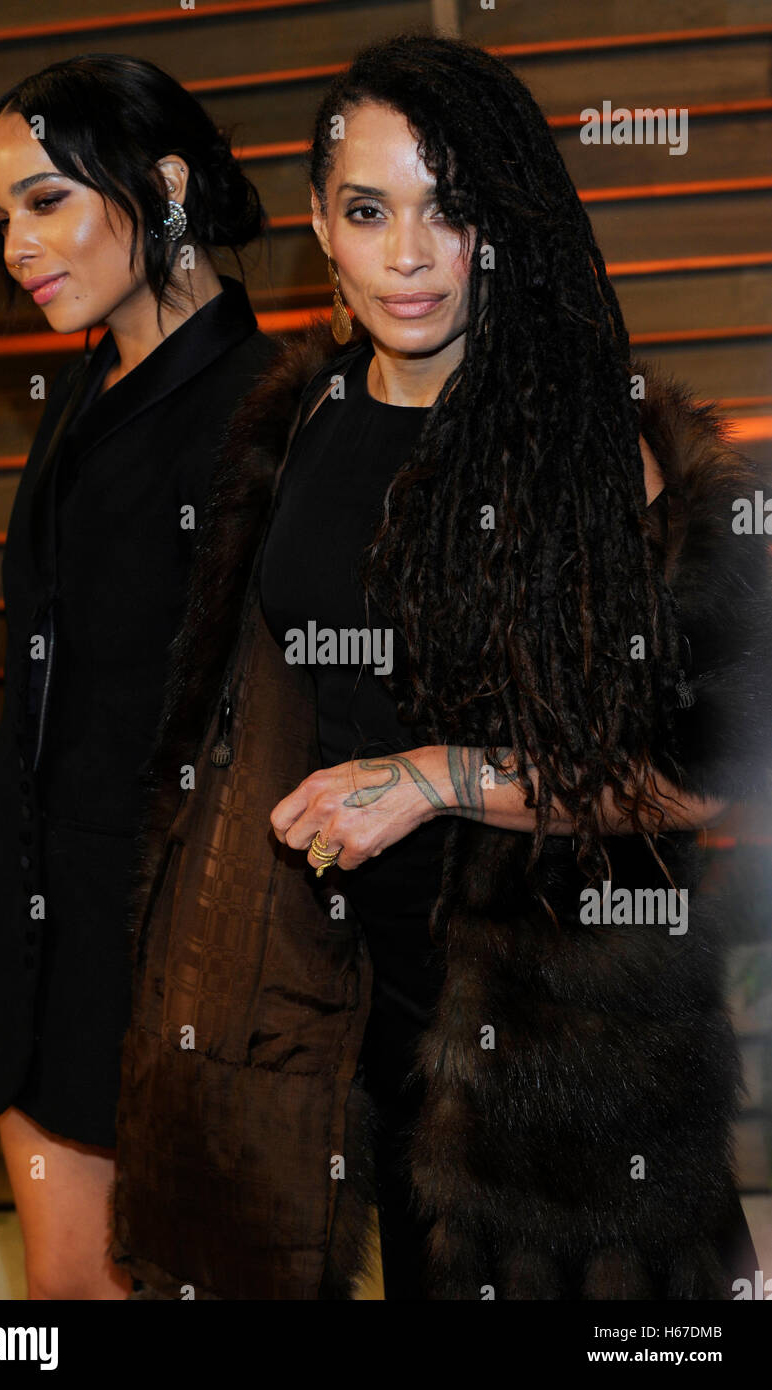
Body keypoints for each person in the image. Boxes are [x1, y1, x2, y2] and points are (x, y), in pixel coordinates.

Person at [110, 35, 772, 1299]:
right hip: (345, 1014)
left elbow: (700, 779)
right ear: (320, 222)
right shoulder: (298, 419)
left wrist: (435, 775)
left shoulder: (600, 453)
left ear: (506, 223)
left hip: (557, 1061)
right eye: (369, 210)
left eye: (452, 210)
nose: (408, 255)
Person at [0, 53, 277, 1299]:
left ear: (164, 183)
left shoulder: (270, 410)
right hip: (46, 944)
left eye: (44, 201)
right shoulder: (82, 387)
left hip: (179, 957)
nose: (17, 247)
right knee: (62, 1298)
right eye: (0, 220)